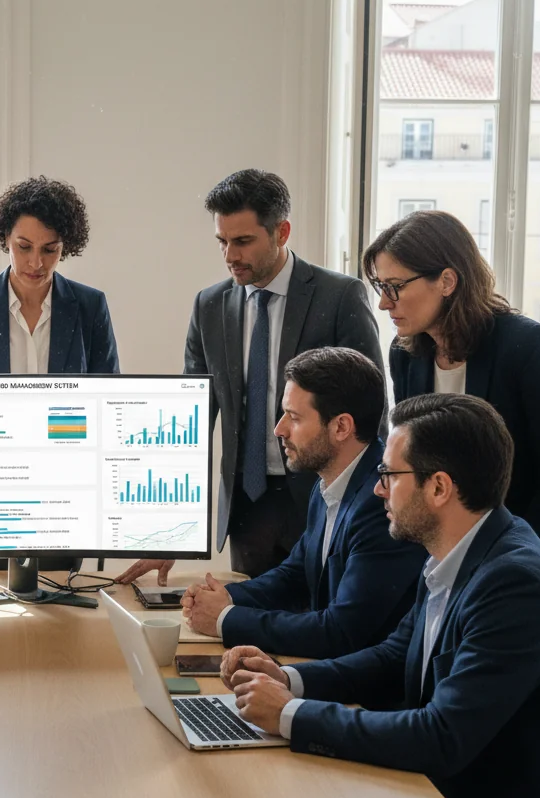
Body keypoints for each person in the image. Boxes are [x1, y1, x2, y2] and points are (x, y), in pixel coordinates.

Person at [221, 393, 540, 798]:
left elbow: (441, 736)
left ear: (439, 487)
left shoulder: (513, 581)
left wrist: (289, 716)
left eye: (389, 474)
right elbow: (396, 656)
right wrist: (290, 679)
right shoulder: (458, 548)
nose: (377, 488)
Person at [123, 170, 384, 582]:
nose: (230, 256)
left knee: (326, 628)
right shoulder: (209, 306)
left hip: (326, 496)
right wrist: (167, 531)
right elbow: (189, 421)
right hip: (247, 506)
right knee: (249, 627)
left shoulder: (339, 297)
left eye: (243, 241)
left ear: (282, 231)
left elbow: (372, 412)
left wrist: (366, 504)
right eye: (222, 241)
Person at [176, 348, 425, 657]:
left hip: (364, 691)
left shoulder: (382, 502)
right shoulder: (329, 482)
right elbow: (295, 574)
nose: (279, 429)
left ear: (341, 427)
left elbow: (340, 631)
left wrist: (226, 619)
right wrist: (223, 596)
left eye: (293, 417)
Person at [366, 209, 540, 549]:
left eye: (394, 287)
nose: (382, 303)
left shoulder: (526, 347)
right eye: (381, 286)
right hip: (438, 548)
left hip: (520, 548)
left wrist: (522, 555)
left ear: (447, 282)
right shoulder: (404, 354)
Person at [0, 176, 119, 375]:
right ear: (7, 238)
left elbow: (108, 393)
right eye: (24, 247)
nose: (36, 263)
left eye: (49, 250)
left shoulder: (91, 306)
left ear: (64, 246)